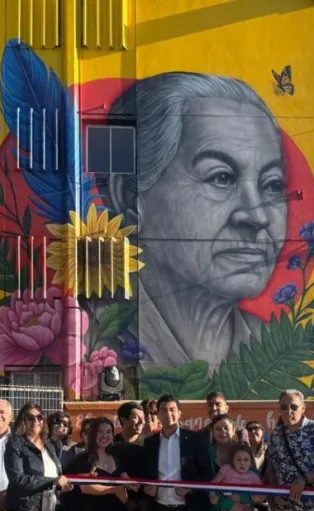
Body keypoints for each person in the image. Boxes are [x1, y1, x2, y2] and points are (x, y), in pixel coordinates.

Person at [101, 73, 288, 373]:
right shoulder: (89, 336)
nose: (258, 216)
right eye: (221, 177)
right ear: (130, 198)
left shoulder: (274, 348)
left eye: (273, 185)